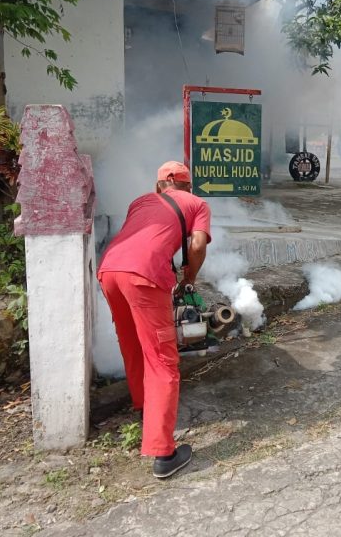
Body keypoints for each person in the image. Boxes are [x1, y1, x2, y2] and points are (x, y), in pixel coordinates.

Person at [97, 161, 211, 479]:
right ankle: (163, 454)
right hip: (144, 277)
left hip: (109, 272)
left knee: (133, 344)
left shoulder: (141, 201)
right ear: (188, 186)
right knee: (162, 360)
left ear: (159, 185)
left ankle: (144, 407)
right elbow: (198, 244)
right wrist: (190, 277)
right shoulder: (197, 203)